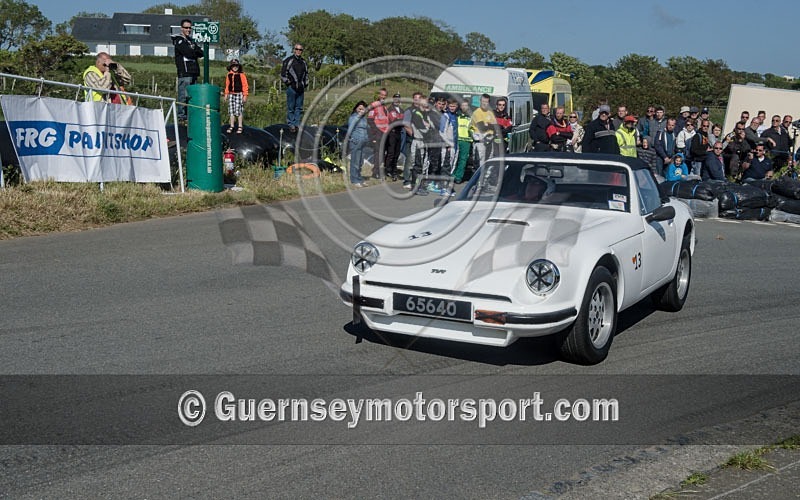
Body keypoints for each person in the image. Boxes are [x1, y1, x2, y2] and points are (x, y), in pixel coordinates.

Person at [171, 19, 203, 122]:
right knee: (183, 96)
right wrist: (194, 50)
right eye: (186, 27)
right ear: (181, 28)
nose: (188, 29)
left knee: (192, 97)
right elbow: (188, 53)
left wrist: (194, 50)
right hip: (185, 73)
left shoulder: (191, 40)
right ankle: (181, 118)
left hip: (194, 73)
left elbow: (201, 53)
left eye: (190, 28)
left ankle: (190, 117)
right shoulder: (179, 40)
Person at [280, 43, 308, 132]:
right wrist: (289, 83)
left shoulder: (304, 62)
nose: (299, 51)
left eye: (300, 50)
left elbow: (306, 74)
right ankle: (291, 124)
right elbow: (283, 74)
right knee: (291, 107)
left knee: (299, 107)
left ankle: (297, 124)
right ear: (294, 50)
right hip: (292, 88)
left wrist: (305, 84)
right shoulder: (289, 60)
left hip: (301, 88)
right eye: (297, 49)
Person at [366, 88, 389, 179]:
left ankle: (379, 170)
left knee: (381, 153)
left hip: (384, 132)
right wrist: (375, 132)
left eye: (385, 95)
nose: (383, 96)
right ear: (379, 95)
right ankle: (375, 172)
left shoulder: (385, 107)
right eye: (382, 95)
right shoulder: (374, 105)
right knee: (378, 153)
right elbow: (370, 119)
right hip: (378, 132)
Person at [470, 94, 497, 169]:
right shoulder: (477, 113)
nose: (484, 103)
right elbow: (482, 127)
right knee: (480, 161)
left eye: (486, 102)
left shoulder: (490, 113)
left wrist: (488, 125)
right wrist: (489, 125)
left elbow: (495, 127)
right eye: (483, 101)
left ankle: (486, 178)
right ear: (480, 101)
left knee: (489, 160)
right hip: (480, 141)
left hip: (490, 140)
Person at [346, 101, 369, 187]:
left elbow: (366, 129)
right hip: (356, 141)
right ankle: (354, 179)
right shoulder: (353, 117)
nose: (361, 110)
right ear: (356, 108)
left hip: (363, 142)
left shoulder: (364, 118)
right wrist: (351, 138)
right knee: (355, 161)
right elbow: (350, 129)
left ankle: (359, 178)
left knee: (360, 161)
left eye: (363, 109)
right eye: (359, 108)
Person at [223, 59, 248, 133]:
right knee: (231, 111)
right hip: (231, 94)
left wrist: (245, 95)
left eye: (236, 66)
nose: (235, 67)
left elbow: (245, 85)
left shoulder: (242, 75)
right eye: (233, 66)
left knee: (239, 110)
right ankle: (232, 126)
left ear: (238, 66)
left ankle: (240, 126)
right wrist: (226, 94)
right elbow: (227, 85)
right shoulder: (229, 75)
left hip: (239, 94)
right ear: (231, 67)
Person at [383, 93, 404, 181]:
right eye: (395, 98)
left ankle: (394, 170)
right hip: (392, 132)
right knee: (391, 152)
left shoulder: (401, 110)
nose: (397, 100)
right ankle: (387, 169)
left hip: (399, 132)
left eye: (398, 99)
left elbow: (403, 121)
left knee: (397, 153)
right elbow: (393, 120)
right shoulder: (390, 109)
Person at [453, 101, 472, 184]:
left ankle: (458, 177)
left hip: (466, 141)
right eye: (462, 105)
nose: (464, 107)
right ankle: (451, 174)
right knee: (453, 158)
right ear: (460, 106)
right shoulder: (456, 115)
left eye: (466, 105)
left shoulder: (471, 117)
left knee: (463, 159)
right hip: (456, 139)